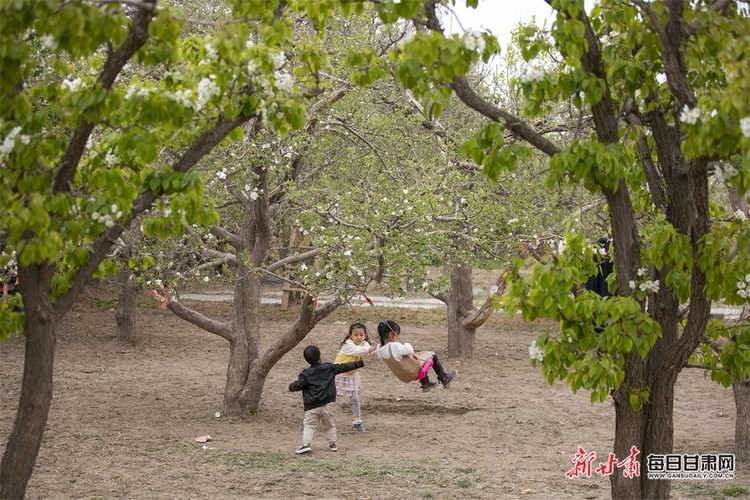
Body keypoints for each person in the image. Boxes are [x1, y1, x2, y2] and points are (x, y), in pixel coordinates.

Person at [289, 344, 365, 454]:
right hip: (327, 404)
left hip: (312, 406)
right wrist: (359, 363)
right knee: (329, 425)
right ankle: (333, 444)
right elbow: (343, 367)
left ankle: (306, 444)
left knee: (309, 425)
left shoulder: (305, 374)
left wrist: (291, 386)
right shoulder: (329, 368)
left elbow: (297, 385)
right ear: (320, 356)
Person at [375, 320, 457, 393]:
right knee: (432, 354)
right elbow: (410, 350)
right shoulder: (394, 346)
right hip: (412, 370)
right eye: (397, 335)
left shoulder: (379, 350)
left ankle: (425, 383)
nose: (397, 338)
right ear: (390, 334)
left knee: (419, 356)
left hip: (403, 376)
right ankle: (444, 378)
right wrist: (406, 344)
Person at [333, 322, 377, 432]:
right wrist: (373, 348)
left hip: (351, 375)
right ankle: (310, 420)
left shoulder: (365, 344)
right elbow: (358, 351)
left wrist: (380, 347)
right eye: (356, 335)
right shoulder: (348, 344)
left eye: (361, 335)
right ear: (350, 335)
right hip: (337, 374)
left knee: (355, 398)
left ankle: (357, 422)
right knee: (328, 397)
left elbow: (370, 351)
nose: (359, 337)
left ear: (365, 335)